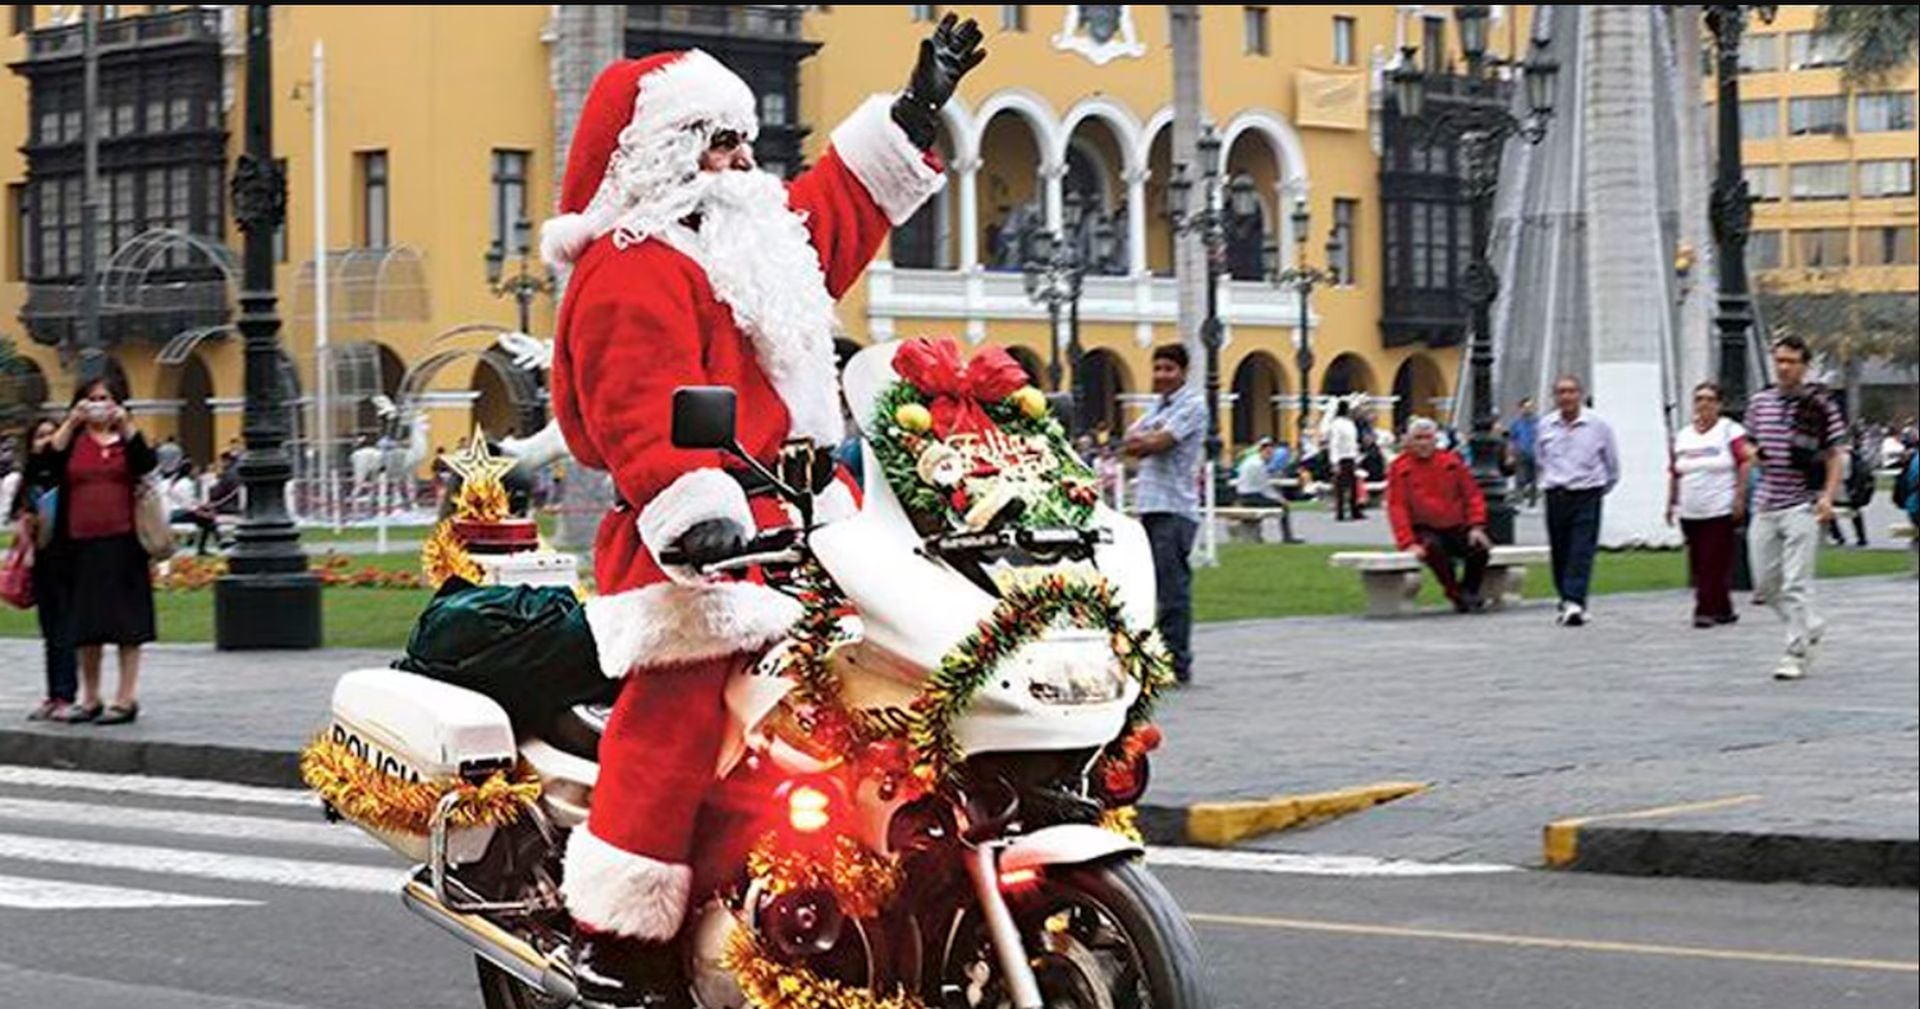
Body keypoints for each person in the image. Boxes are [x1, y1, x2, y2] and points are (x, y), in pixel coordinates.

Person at [541, 20, 980, 1004]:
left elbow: (834, 212)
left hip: (808, 523)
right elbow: (637, 399)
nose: (743, 162)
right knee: (681, 707)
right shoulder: (630, 261)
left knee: (889, 683)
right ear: (663, 154)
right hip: (689, 540)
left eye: (744, 142)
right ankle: (619, 932)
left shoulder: (755, 238)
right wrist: (696, 510)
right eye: (719, 144)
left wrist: (911, 115)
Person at [45, 377, 158, 725]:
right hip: (80, 545)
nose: (98, 404)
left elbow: (146, 463)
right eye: (91, 399)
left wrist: (125, 425)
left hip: (123, 544)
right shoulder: (74, 441)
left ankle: (125, 698)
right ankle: (90, 697)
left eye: (104, 398)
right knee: (86, 627)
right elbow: (46, 462)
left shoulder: (126, 442)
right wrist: (72, 422)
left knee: (128, 626)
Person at [1745, 335, 1846, 681]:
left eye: (1790, 361)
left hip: (1801, 503)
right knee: (1765, 584)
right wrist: (1752, 454)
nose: (1784, 367)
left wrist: (1827, 496)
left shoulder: (1820, 405)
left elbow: (1835, 454)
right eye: (1779, 361)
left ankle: (1795, 651)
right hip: (1766, 502)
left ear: (1804, 366)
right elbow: (1749, 442)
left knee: (1795, 583)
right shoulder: (1760, 403)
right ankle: (1809, 623)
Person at [1124, 344, 1207, 686]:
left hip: (1175, 506)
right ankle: (1157, 656)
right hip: (1150, 504)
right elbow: (1130, 440)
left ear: (1183, 371)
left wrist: (1146, 441)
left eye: (1169, 369)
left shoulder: (1193, 404)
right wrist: (1145, 440)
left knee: (1173, 589)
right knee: (1152, 585)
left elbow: (1159, 443)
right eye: (1157, 368)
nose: (1161, 375)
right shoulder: (1158, 405)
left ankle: (1177, 660)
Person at [1666, 381, 1751, 628]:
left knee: (1712, 561)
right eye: (1699, 399)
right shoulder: (1683, 435)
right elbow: (1674, 471)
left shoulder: (1730, 431)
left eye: (1709, 399)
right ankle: (1723, 607)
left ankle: (1704, 609)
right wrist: (1671, 502)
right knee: (1700, 561)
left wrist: (1739, 496)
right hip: (1690, 508)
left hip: (1719, 507)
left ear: (1719, 404)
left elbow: (1744, 461)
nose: (1703, 404)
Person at [1537, 373, 1619, 627]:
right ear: (1555, 397)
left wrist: (1599, 489)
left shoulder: (1598, 425)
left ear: (1580, 395)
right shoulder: (1546, 425)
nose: (1566, 397)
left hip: (1587, 492)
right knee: (1561, 550)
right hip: (1556, 493)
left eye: (1571, 391)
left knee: (1581, 550)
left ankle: (1574, 600)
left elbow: (1612, 464)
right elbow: (1540, 459)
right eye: (1561, 392)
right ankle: (1567, 599)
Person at [1387, 418, 1492, 612]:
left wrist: (1476, 526)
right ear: (1409, 441)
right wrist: (1407, 542)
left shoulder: (1452, 462)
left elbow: (1472, 495)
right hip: (1424, 528)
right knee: (1433, 548)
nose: (1423, 443)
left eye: (1427, 438)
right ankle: (1454, 591)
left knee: (1480, 548)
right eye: (1418, 438)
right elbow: (1397, 507)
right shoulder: (1400, 467)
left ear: (1435, 440)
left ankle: (1469, 590)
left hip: (1455, 525)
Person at [10, 420, 77, 722]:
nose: (47, 440)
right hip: (41, 563)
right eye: (40, 435)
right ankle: (54, 694)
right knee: (50, 632)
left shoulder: (67, 475)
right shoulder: (30, 481)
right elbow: (20, 515)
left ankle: (66, 694)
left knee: (65, 630)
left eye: (52, 434)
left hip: (67, 560)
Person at [1233, 438, 1302, 543]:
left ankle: (1256, 536)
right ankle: (1287, 537)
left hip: (1243, 494)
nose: (1270, 456)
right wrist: (1280, 499)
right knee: (1284, 507)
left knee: (1271, 502)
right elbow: (1265, 488)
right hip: (1251, 496)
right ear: (1261, 451)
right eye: (1268, 453)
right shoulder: (1258, 464)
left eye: (1272, 453)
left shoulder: (1251, 460)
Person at [1825, 422, 1873, 549]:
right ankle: (1861, 537)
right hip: (1852, 495)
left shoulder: (1838, 457)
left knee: (1825, 506)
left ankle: (1838, 536)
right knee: (1855, 512)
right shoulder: (1854, 456)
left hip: (1841, 494)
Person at [164, 462, 219, 556]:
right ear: (189, 471)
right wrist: (204, 513)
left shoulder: (185, 482)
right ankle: (208, 545)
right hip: (178, 513)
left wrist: (205, 508)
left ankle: (203, 544)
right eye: (194, 470)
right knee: (208, 521)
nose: (197, 472)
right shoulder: (185, 484)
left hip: (181, 511)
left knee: (208, 520)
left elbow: (192, 502)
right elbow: (189, 506)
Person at [1328, 399, 1362, 521]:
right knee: (1340, 487)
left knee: (1353, 486)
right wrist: (1334, 461)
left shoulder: (1350, 423)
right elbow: (1334, 443)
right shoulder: (1337, 424)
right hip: (1341, 457)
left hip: (1350, 456)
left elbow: (1353, 442)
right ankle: (1340, 512)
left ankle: (1354, 510)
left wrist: (1356, 457)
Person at [1509, 397, 1539, 508]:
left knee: (1534, 479)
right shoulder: (1516, 423)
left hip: (1535, 453)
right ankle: (1519, 500)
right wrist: (1511, 455)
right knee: (1520, 477)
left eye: (1530, 407)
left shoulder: (1538, 422)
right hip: (1521, 452)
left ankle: (1533, 501)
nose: (1528, 409)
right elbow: (1512, 439)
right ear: (1520, 409)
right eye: (1526, 407)